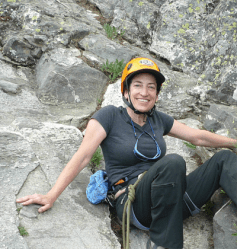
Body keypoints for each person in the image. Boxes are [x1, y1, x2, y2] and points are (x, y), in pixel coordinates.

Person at [16, 57, 237, 249]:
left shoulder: (158, 120)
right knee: (174, 163)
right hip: (134, 204)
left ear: (157, 95)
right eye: (138, 85)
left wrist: (233, 142)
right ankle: (165, 245)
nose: (144, 92)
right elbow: (83, 156)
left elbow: (198, 137)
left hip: (171, 202)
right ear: (125, 91)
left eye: (151, 87)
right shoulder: (109, 116)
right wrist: (51, 194)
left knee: (224, 159)